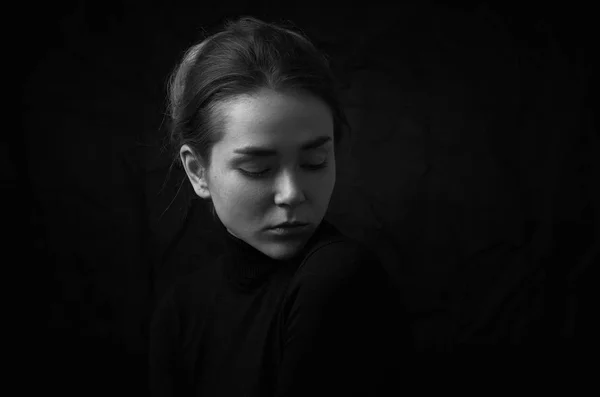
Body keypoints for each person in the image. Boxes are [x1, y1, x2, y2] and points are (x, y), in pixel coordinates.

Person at [148, 16, 412, 397]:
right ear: (198, 171)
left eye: (315, 162)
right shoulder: (179, 313)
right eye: (258, 168)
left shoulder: (336, 279)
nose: (292, 194)